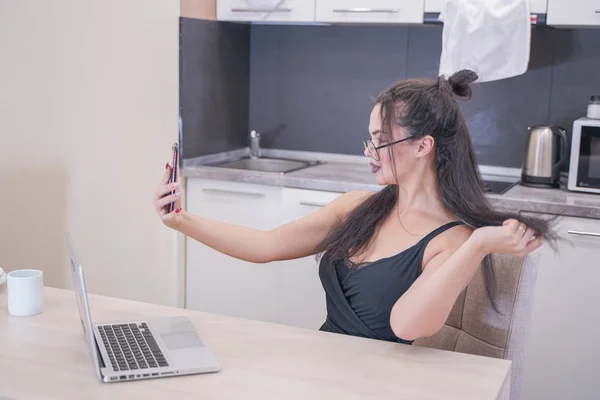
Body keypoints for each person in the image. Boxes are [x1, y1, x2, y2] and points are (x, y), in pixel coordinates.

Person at [154, 69, 554, 344]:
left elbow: (406, 324)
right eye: (369, 138)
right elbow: (266, 245)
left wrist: (478, 245)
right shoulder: (357, 208)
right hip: (325, 359)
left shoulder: (452, 241)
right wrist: (181, 221)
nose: (370, 151)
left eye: (380, 139)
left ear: (422, 145)